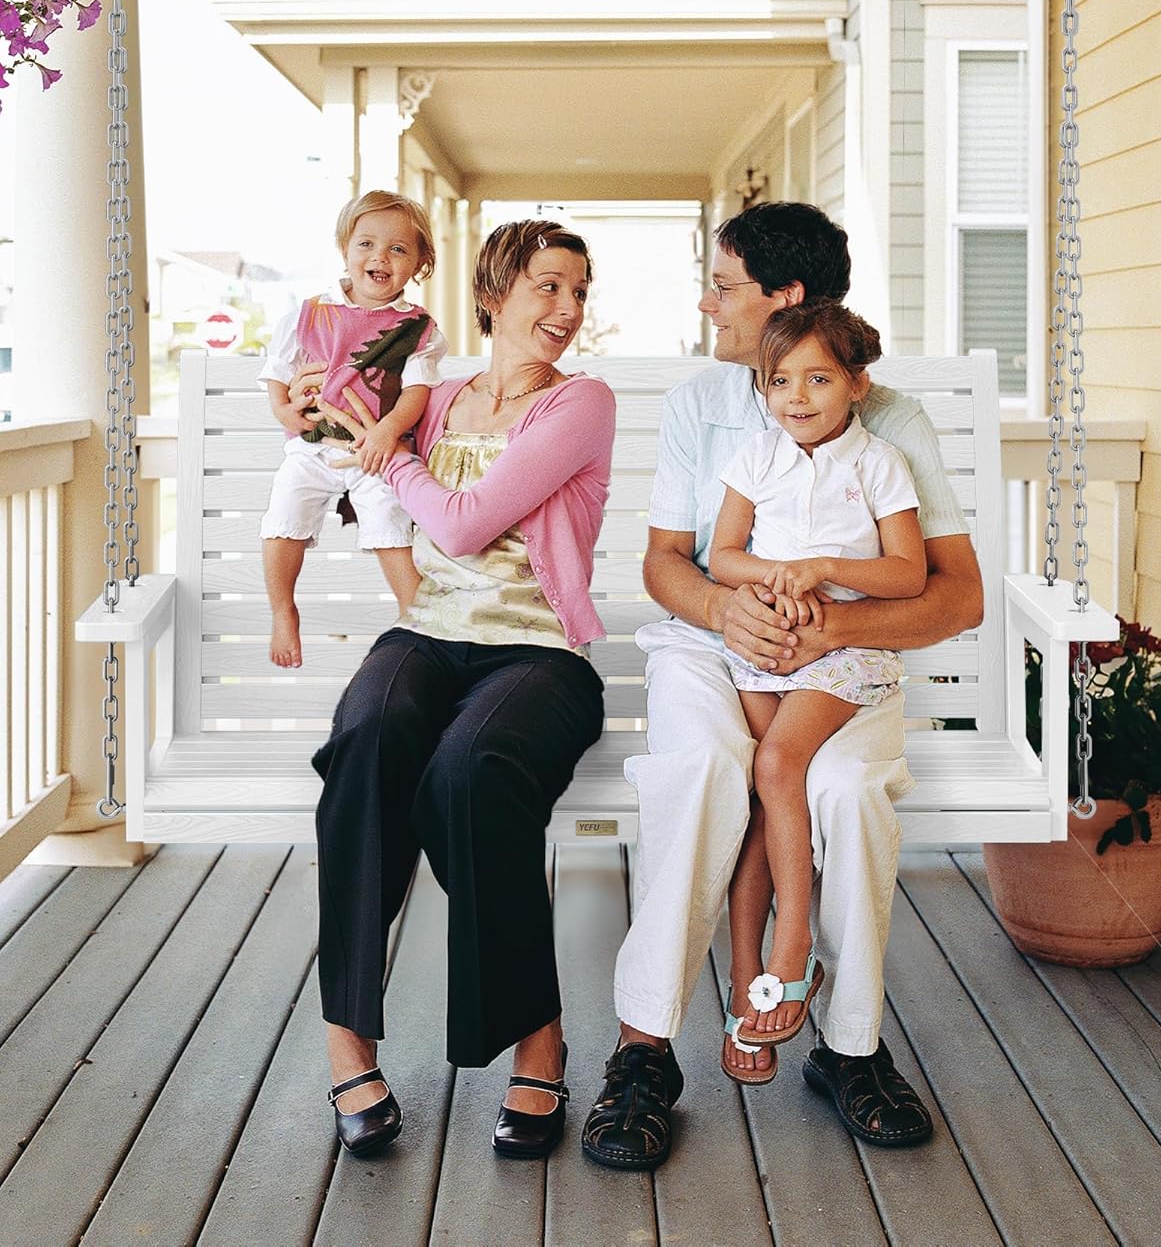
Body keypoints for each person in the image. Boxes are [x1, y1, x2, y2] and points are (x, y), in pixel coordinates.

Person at [582, 202, 983, 1169]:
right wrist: (731, 613)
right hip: (714, 646)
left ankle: (847, 1046)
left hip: (839, 658)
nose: (709, 305)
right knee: (702, 767)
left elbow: (956, 596)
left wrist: (831, 626)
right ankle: (643, 1052)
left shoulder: (890, 427)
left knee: (844, 787)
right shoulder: (700, 406)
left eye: (723, 287)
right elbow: (670, 563)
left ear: (785, 298)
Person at [309, 219, 615, 1162]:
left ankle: (539, 1038)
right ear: (493, 295)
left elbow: (466, 524)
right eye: (547, 288)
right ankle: (345, 1041)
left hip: (538, 652)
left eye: (577, 291)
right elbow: (329, 403)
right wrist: (349, 410)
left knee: (469, 774)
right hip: (428, 636)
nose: (566, 310)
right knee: (365, 741)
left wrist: (394, 457)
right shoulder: (436, 397)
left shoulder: (581, 403)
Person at [707, 300, 925, 1085]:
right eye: (779, 381)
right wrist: (773, 576)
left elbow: (908, 574)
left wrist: (824, 565)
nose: (795, 396)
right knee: (762, 800)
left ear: (858, 384)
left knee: (775, 768)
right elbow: (724, 555)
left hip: (843, 649)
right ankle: (747, 981)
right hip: (766, 649)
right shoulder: (758, 457)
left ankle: (791, 944)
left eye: (818, 379)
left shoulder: (877, 464)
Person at [258, 189, 447, 669]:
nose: (379, 256)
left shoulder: (418, 328)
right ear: (345, 249)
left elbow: (416, 391)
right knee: (284, 517)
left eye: (399, 249)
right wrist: (285, 412)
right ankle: (283, 610)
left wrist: (388, 433)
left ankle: (419, 622)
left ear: (420, 263)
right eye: (366, 243)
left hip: (375, 451)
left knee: (390, 524)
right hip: (313, 446)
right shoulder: (309, 314)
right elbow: (278, 374)